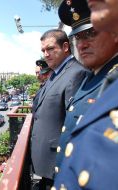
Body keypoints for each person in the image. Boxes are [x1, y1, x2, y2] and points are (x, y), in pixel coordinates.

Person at [55, 0, 118, 170]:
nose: (82, 44)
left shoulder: (112, 80)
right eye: (78, 36)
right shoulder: (90, 77)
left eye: (91, 33)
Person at [31, 29, 89, 189]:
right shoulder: (57, 73)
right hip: (47, 166)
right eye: (43, 50)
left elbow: (74, 126)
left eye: (50, 49)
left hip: (58, 164)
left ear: (65, 47)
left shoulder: (76, 74)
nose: (46, 54)